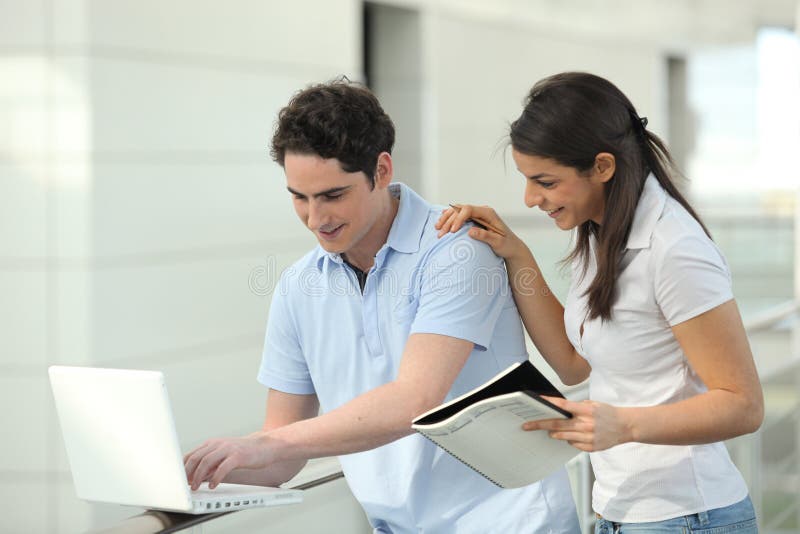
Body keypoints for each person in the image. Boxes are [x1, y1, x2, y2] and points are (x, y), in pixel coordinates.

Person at [183, 79, 580, 533]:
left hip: (509, 524)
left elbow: (415, 399)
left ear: (382, 169)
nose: (317, 219)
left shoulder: (456, 250)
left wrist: (268, 444)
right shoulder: (297, 287)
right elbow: (279, 461)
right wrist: (192, 470)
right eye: (299, 197)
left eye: (333, 195)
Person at [436, 72, 763, 533]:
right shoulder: (600, 233)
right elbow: (573, 365)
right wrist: (516, 254)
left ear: (603, 167)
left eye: (544, 181)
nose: (530, 199)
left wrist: (623, 425)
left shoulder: (674, 249)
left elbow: (743, 405)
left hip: (688, 518)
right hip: (619, 514)